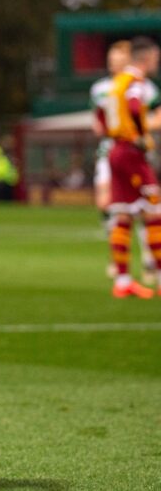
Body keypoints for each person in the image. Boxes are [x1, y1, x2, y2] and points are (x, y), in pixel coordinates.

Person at [93, 36, 161, 299]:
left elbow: (101, 114)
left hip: (114, 150)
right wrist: (140, 136)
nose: (156, 63)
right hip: (131, 152)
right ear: (146, 59)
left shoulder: (115, 84)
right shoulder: (135, 82)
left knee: (122, 216)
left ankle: (122, 280)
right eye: (155, 59)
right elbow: (134, 106)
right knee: (155, 211)